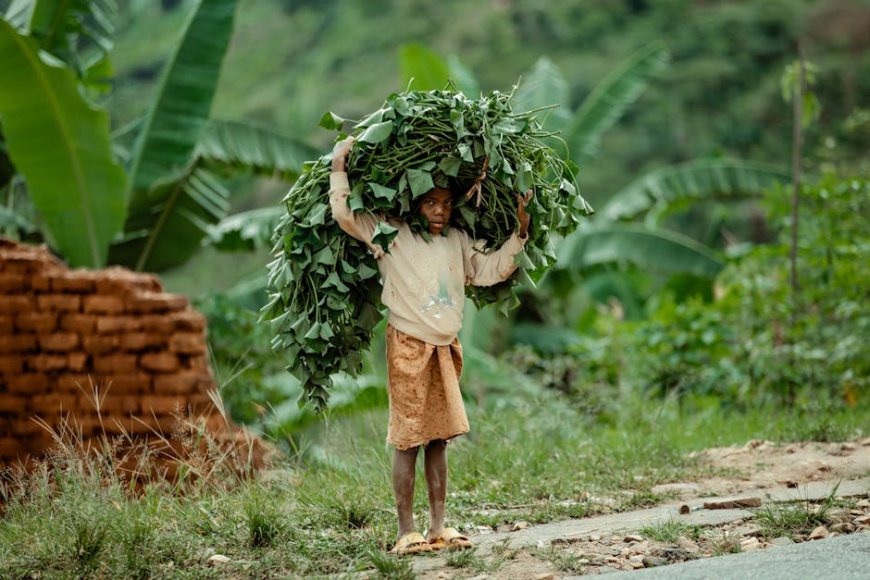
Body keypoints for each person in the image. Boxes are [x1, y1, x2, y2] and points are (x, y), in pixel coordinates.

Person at [329, 137, 531, 555]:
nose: (440, 211)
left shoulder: (456, 240)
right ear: (413, 204)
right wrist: (338, 165)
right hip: (408, 342)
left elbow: (490, 270)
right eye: (430, 203)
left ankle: (439, 526)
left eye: (446, 203)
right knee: (408, 439)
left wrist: (520, 233)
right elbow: (345, 214)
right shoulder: (390, 234)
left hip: (446, 346)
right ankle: (407, 531)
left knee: (438, 438)